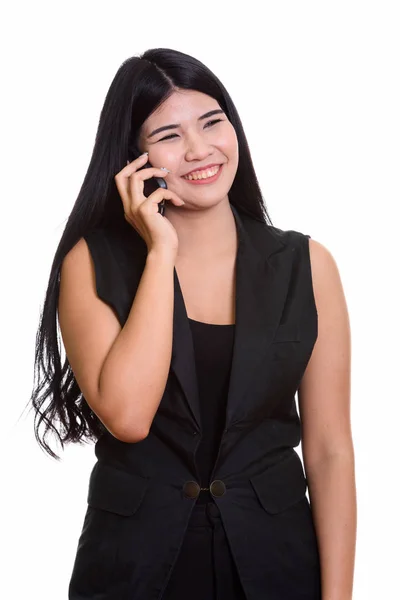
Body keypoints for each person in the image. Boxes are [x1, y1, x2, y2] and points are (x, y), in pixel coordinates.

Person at [27, 48, 356, 599]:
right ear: (134, 157)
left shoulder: (307, 266)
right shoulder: (92, 262)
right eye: (169, 135)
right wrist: (159, 252)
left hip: (276, 565)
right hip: (135, 572)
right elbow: (128, 416)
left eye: (212, 122)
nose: (200, 150)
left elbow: (329, 448)